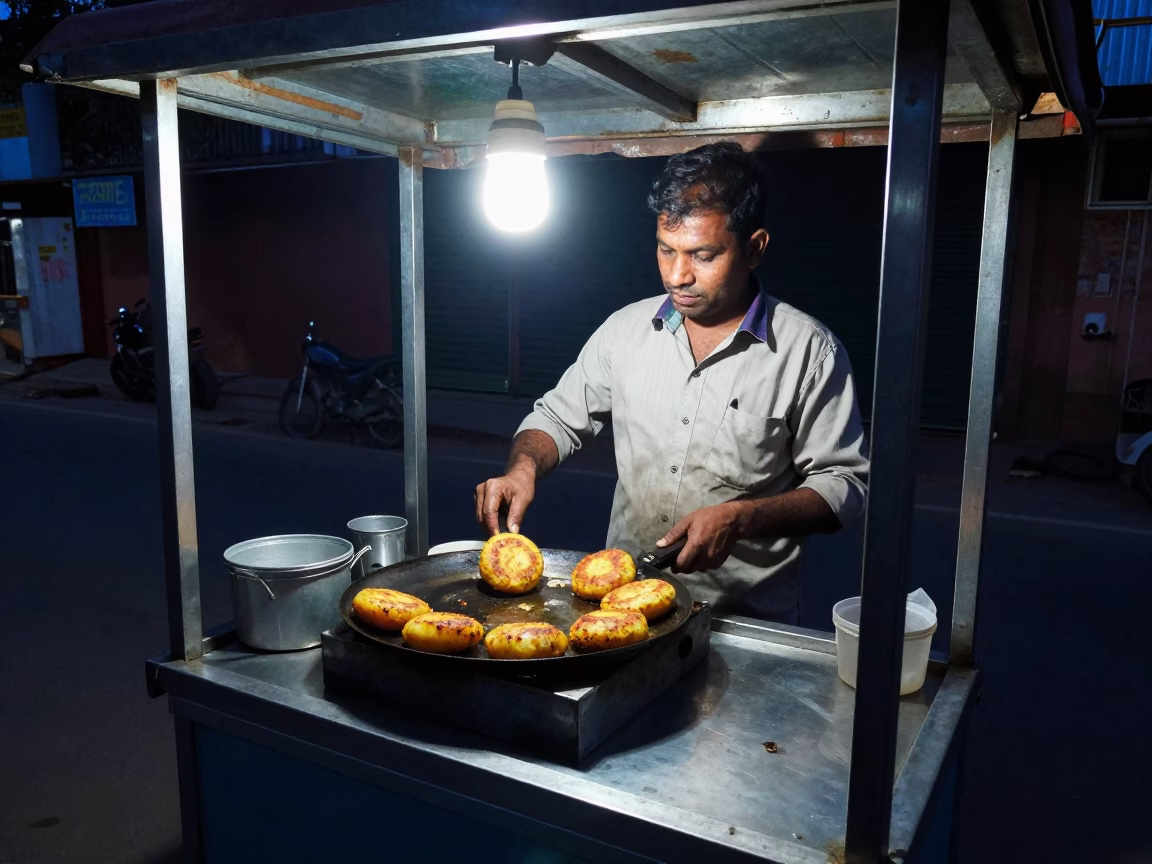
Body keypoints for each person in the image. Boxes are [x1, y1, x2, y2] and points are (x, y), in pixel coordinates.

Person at [474, 142, 868, 623]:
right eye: (666, 250)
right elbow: (557, 418)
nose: (677, 275)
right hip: (619, 611)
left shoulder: (810, 352)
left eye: (703, 255)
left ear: (754, 248)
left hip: (740, 621)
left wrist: (742, 518)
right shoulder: (624, 331)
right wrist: (523, 468)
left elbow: (844, 485)